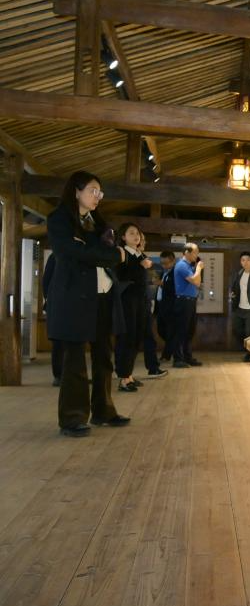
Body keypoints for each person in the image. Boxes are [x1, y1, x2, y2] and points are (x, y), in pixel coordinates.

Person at [46, 171, 130, 437]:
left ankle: (103, 410)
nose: (98, 196)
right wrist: (109, 254)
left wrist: (99, 253)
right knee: (74, 360)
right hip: (75, 298)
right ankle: (72, 418)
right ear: (76, 191)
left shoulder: (98, 222)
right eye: (93, 190)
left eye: (100, 192)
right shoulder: (59, 219)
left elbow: (91, 253)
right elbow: (70, 252)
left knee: (104, 356)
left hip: (103, 296)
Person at [113, 223, 155, 392]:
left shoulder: (139, 254)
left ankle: (128, 374)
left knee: (137, 337)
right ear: (123, 237)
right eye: (131, 233)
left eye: (137, 233)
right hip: (127, 301)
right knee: (127, 337)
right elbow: (119, 275)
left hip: (141, 300)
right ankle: (123, 377)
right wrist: (140, 266)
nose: (136, 236)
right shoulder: (121, 253)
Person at [137, 233, 167, 379]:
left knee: (149, 337)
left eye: (143, 239)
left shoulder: (145, 259)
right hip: (132, 303)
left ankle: (153, 368)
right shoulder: (128, 258)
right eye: (140, 239)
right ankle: (124, 373)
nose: (142, 242)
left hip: (146, 302)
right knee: (129, 339)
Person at [170, 243, 203, 368]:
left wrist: (197, 270)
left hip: (190, 301)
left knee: (189, 331)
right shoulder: (181, 265)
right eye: (195, 252)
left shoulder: (189, 266)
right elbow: (196, 281)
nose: (197, 255)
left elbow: (197, 283)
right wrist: (199, 268)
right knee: (181, 330)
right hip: (183, 301)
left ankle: (187, 357)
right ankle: (178, 359)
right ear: (187, 252)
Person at [41, 253, 62, 386]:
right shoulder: (55, 256)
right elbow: (46, 281)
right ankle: (58, 375)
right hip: (56, 305)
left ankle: (71, 374)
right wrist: (51, 299)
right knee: (58, 342)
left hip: (72, 306)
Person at [155, 250, 176, 361]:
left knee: (170, 332)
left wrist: (163, 284)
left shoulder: (176, 273)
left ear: (173, 261)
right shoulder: (163, 273)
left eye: (166, 263)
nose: (164, 265)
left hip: (170, 307)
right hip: (160, 305)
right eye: (162, 263)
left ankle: (166, 355)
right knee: (161, 330)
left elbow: (175, 289)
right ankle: (172, 349)